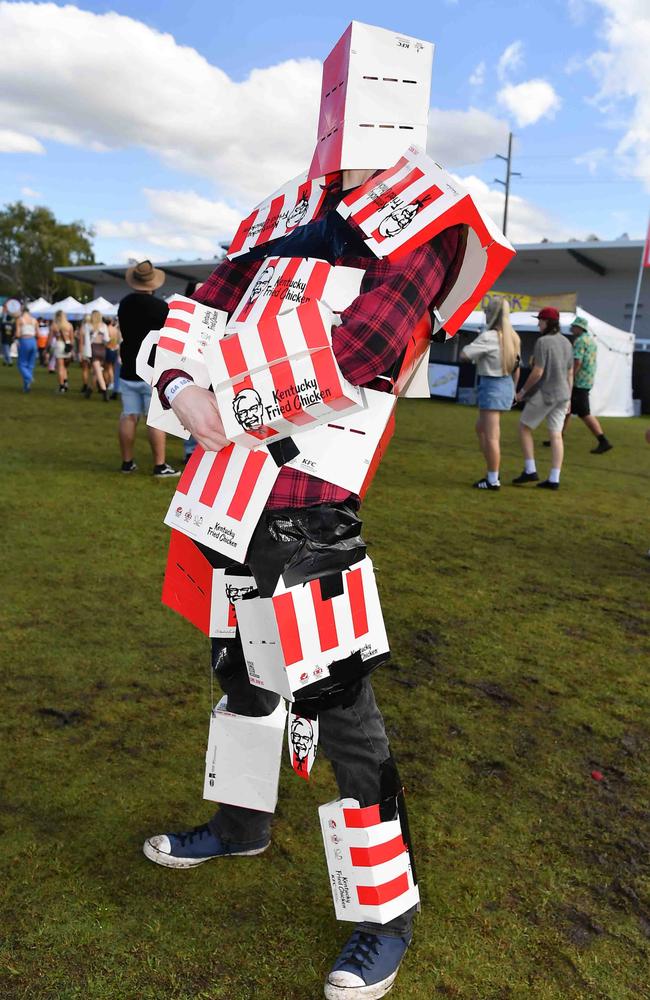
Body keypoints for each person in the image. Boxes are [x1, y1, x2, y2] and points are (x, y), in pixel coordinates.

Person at [139, 22, 510, 1000]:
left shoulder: (425, 219)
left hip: (305, 507)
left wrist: (228, 407)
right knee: (238, 677)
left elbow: (365, 353)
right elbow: (199, 305)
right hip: (222, 495)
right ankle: (241, 825)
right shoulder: (279, 212)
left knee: (339, 712)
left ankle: (384, 913)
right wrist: (179, 385)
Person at [117, 260, 179, 477]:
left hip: (128, 367)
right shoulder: (161, 308)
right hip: (151, 369)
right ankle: (160, 466)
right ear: (153, 283)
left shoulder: (124, 304)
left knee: (128, 415)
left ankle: (127, 463)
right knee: (155, 419)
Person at [460, 298, 520, 490]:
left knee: (491, 436)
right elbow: (517, 366)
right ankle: (493, 470)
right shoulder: (514, 337)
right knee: (482, 429)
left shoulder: (489, 337)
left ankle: (493, 478)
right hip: (506, 385)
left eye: (487, 310)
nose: (485, 313)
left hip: (492, 386)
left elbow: (465, 354)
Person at [513, 306, 573, 490]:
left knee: (524, 427)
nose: (538, 323)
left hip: (548, 393)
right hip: (563, 395)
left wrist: (521, 393)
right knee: (556, 435)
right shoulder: (567, 342)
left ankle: (530, 469)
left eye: (540, 320)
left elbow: (538, 372)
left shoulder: (543, 342)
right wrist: (569, 397)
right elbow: (570, 372)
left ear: (547, 322)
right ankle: (554, 478)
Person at [543, 315, 613, 455]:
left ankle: (603, 440)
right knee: (567, 410)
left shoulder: (580, 341)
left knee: (584, 413)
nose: (571, 329)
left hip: (578, 381)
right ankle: (558, 437)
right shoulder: (591, 341)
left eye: (573, 327)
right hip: (587, 380)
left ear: (579, 328)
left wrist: (570, 377)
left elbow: (577, 361)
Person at [15, 306, 38, 392]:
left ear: (22, 311)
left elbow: (17, 333)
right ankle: (26, 386)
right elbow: (38, 333)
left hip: (24, 341)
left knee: (21, 364)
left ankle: (29, 377)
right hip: (33, 341)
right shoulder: (34, 320)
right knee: (30, 365)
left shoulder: (20, 319)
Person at [50, 309, 74, 393]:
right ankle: (66, 382)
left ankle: (61, 386)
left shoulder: (54, 325)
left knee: (60, 367)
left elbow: (50, 338)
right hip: (68, 346)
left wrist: (47, 348)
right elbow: (72, 338)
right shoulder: (69, 325)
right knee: (65, 367)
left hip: (59, 345)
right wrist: (72, 349)